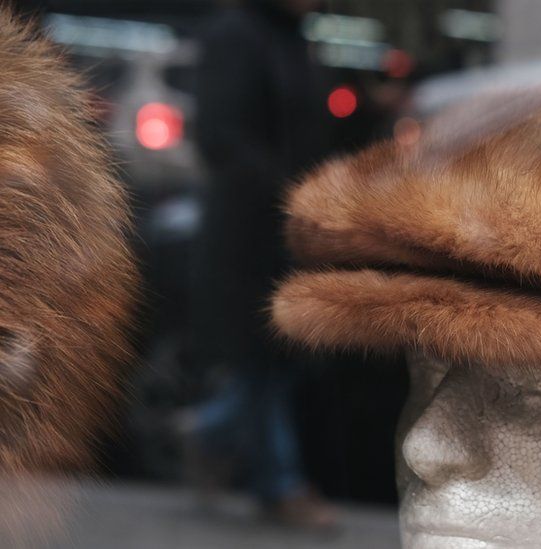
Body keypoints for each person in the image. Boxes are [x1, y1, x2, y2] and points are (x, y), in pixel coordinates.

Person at [188, 0, 335, 528]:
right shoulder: (235, 34)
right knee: (264, 357)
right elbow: (218, 135)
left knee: (282, 360)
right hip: (247, 230)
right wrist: (288, 193)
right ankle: (282, 484)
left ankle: (209, 432)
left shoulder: (292, 38)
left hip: (291, 229)